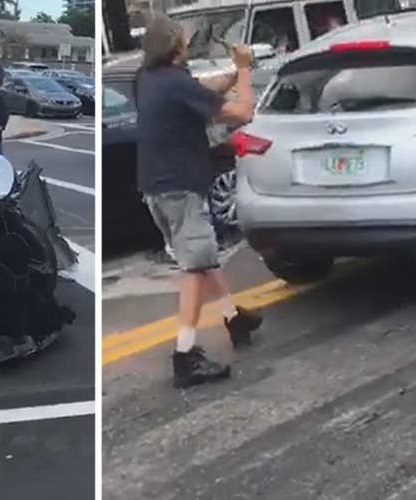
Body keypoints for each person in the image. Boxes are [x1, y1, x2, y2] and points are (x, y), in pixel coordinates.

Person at [135, 14, 264, 389]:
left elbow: (204, 91)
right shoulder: (177, 85)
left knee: (201, 256)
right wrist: (243, 71)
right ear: (177, 46)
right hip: (180, 187)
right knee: (194, 267)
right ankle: (185, 356)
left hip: (155, 187)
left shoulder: (148, 80)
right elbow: (243, 112)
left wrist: (231, 72)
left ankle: (232, 316)